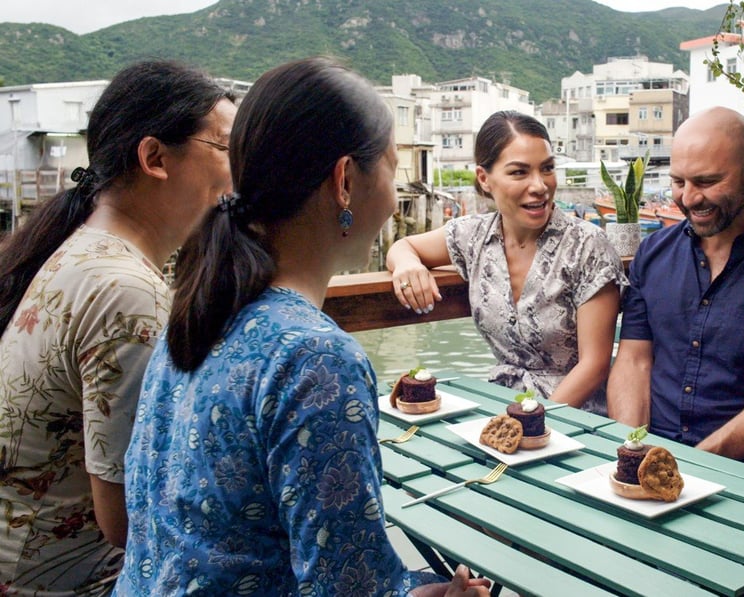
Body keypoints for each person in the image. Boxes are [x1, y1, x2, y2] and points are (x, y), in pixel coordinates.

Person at [113, 57, 490, 597]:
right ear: (344, 181)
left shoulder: (198, 315)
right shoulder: (314, 359)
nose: (394, 193)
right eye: (390, 166)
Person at [0, 60, 235, 594]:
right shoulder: (126, 294)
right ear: (154, 158)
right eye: (225, 149)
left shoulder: (79, 249)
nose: (236, 171)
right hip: (71, 583)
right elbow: (131, 520)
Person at [607, 107, 744, 470]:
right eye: (679, 182)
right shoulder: (653, 252)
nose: (689, 198)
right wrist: (633, 451)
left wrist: (690, 466)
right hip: (649, 456)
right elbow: (634, 359)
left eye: (708, 182)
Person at [387, 111, 626, 413]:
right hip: (501, 404)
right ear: (484, 179)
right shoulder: (473, 235)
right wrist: (409, 265)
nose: (539, 185)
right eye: (519, 172)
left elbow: (594, 365)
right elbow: (402, 245)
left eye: (547, 168)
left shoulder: (587, 246)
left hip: (575, 415)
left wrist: (530, 420)